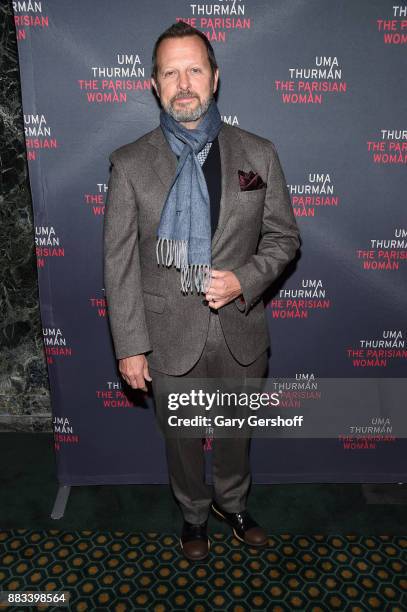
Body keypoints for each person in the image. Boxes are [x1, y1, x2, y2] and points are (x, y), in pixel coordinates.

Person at [103, 21, 300, 561]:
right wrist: (129, 346)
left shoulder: (257, 153)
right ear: (154, 84)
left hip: (240, 329)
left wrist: (246, 278)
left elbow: (284, 238)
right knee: (183, 442)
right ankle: (193, 513)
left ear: (215, 77)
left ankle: (232, 503)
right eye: (171, 72)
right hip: (169, 334)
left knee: (235, 433)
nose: (183, 83)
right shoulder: (130, 163)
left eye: (194, 69)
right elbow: (118, 264)